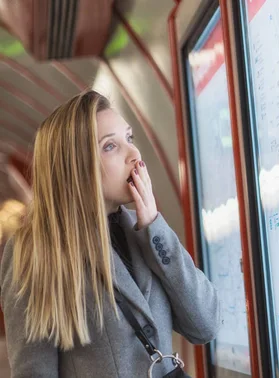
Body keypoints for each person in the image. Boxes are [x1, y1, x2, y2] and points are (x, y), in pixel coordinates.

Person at [0, 90, 221, 377]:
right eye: (110, 146)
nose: (134, 154)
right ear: (76, 166)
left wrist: (154, 225)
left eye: (129, 138)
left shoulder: (145, 231)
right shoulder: (33, 252)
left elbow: (205, 325)